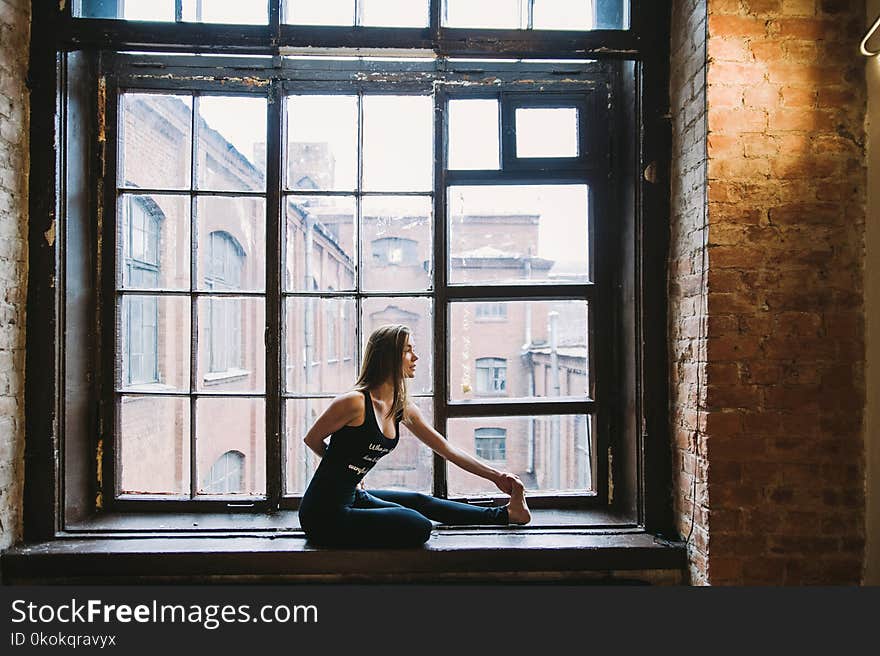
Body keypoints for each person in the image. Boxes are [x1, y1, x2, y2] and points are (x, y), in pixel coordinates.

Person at [299, 323, 530, 548]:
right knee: (418, 525)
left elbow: (447, 449)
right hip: (323, 514)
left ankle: (508, 514)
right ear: (387, 357)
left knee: (421, 502)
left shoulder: (402, 408)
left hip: (354, 497)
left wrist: (496, 476)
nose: (415, 357)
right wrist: (342, 470)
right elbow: (312, 438)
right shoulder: (354, 402)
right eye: (407, 350)